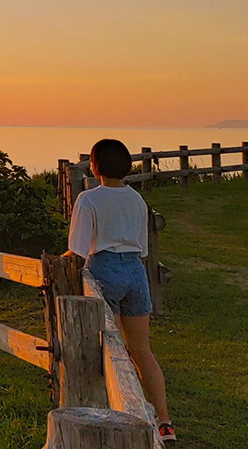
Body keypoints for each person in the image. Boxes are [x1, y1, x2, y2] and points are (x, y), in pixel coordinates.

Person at [64, 139, 175, 442]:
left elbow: (76, 250)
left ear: (95, 165)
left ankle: (120, 415)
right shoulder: (137, 200)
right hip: (135, 273)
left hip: (105, 268)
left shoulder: (89, 199)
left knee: (110, 350)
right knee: (141, 350)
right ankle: (164, 422)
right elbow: (141, 248)